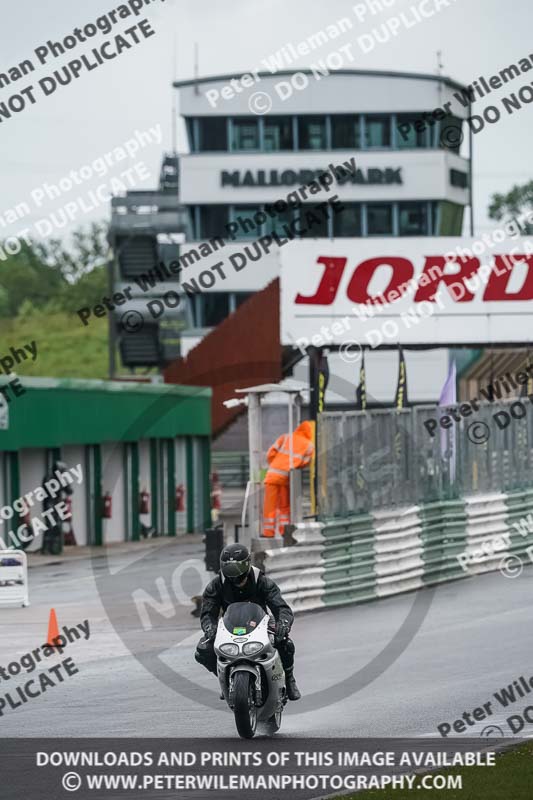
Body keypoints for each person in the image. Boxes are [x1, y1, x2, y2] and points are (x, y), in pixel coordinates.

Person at [195, 543, 301, 701]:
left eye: (236, 569)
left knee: (285, 643)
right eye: (229, 569)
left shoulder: (262, 581)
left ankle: (289, 679)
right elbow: (207, 613)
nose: (234, 576)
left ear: (246, 564)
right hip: (229, 626)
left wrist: (283, 624)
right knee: (202, 650)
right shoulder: (216, 585)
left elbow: (281, 607)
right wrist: (210, 627)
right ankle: (226, 679)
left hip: (261, 624)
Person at [262, 420, 314, 538]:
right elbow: (305, 463)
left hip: (272, 475)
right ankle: (284, 531)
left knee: (270, 505)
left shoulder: (285, 437)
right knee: (284, 506)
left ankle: (268, 533)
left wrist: (275, 464)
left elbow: (270, 453)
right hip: (287, 478)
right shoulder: (309, 445)